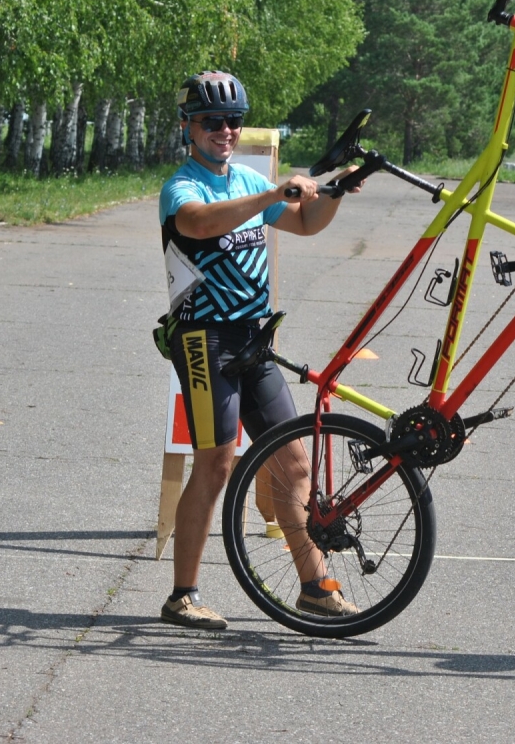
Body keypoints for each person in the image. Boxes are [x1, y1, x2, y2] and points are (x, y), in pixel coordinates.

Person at [158, 71, 361, 629]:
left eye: (233, 121)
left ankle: (316, 587)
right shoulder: (185, 186)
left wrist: (334, 192)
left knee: (293, 459)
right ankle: (182, 595)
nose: (225, 130)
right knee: (217, 462)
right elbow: (197, 225)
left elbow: (305, 223)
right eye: (211, 121)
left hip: (252, 335)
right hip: (203, 339)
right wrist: (271, 193)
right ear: (189, 128)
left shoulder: (245, 178)